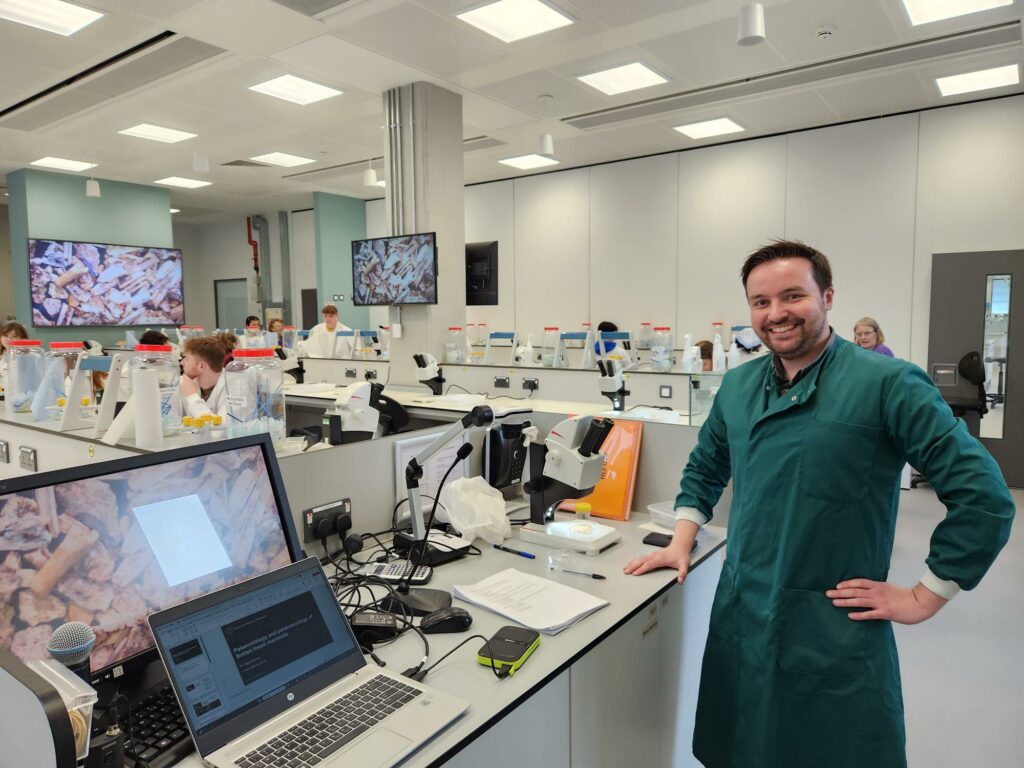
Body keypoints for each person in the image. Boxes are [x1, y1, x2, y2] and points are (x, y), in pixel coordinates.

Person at [624, 240, 1014, 768]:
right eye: (760, 302)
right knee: (741, 745)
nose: (776, 314)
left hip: (831, 623)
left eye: (792, 296)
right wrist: (681, 540)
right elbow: (707, 464)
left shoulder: (887, 384)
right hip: (743, 608)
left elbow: (984, 498)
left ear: (827, 296)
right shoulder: (738, 386)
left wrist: (926, 595)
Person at [179, 336, 229, 419]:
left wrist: (192, 397)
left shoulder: (233, 389)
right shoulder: (185, 382)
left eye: (187, 359)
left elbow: (219, 430)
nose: (182, 363)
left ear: (201, 366)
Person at [0, 322, 29, 394]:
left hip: (22, 398)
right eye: (6, 335)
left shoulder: (30, 357)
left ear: (23, 339)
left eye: (14, 336)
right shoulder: (2, 357)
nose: (9, 339)